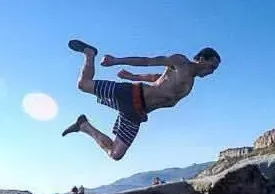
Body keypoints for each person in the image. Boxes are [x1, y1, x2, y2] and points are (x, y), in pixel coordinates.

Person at [61, 39, 220, 160]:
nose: (211, 72)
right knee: (83, 85)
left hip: (137, 113)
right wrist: (116, 61)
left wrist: (132, 76)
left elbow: (157, 78)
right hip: (131, 94)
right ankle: (89, 53)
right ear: (201, 58)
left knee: (115, 154)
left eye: (214, 69)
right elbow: (147, 61)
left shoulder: (190, 84)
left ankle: (84, 126)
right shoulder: (180, 62)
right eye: (211, 66)